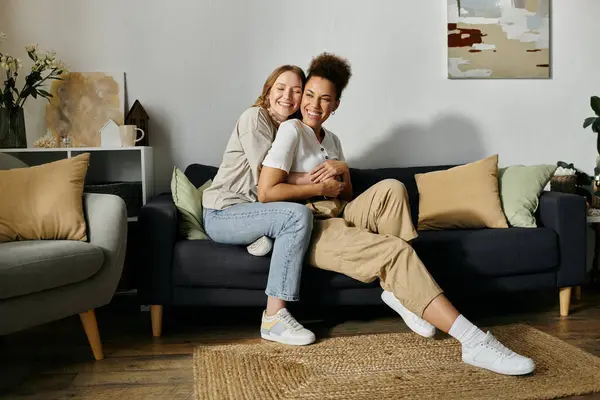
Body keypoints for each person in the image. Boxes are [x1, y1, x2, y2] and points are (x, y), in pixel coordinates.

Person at [257, 52, 535, 376]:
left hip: (341, 211)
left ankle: (398, 292)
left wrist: (342, 170)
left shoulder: (331, 139)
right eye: (309, 95)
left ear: (335, 105)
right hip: (309, 223)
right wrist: (320, 189)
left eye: (325, 99)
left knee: (391, 187)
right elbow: (267, 192)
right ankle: (474, 341)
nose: (314, 105)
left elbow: (345, 196)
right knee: (394, 250)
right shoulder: (291, 130)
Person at [202, 65, 317, 346]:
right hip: (224, 212)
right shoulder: (254, 118)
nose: (287, 96)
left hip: (253, 212)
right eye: (281, 88)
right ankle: (274, 318)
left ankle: (259, 236)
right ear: (268, 91)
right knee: (297, 216)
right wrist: (318, 182)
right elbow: (269, 179)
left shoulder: (290, 130)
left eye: (296, 91)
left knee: (304, 214)